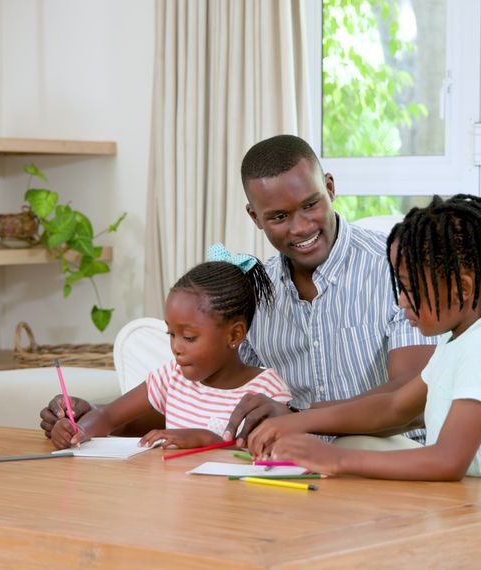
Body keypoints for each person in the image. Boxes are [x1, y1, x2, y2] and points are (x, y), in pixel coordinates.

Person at [40, 134, 435, 448]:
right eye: (278, 216)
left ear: (330, 188)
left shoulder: (396, 270)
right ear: (254, 217)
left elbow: (409, 399)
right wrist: (99, 418)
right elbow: (209, 404)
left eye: (310, 205)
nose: (300, 227)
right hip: (281, 465)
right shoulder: (252, 292)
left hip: (385, 453)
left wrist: (298, 418)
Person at [246, 194, 481, 484]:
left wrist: (335, 459)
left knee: (349, 455)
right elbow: (394, 407)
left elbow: (448, 461)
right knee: (355, 444)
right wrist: (298, 420)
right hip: (468, 500)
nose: (401, 301)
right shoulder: (457, 341)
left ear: (463, 289)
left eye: (410, 289)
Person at [47, 245, 292, 450]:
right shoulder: (171, 377)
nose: (176, 347)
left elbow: (274, 455)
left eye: (189, 337)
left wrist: (207, 440)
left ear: (234, 334)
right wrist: (77, 431)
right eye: (171, 334)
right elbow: (109, 415)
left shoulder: (267, 390)